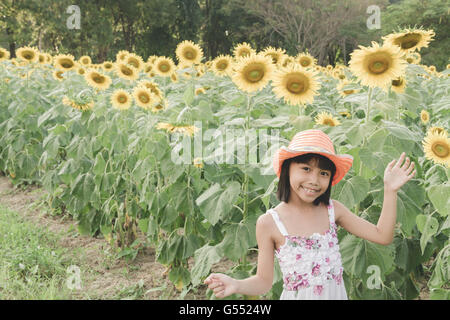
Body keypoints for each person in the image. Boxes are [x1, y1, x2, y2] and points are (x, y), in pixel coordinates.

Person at [204, 129, 416, 300]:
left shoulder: (333, 210)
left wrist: (390, 190)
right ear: (287, 170)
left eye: (323, 173)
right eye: (306, 169)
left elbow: (382, 235)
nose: (314, 180)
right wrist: (236, 284)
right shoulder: (269, 222)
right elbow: (264, 281)